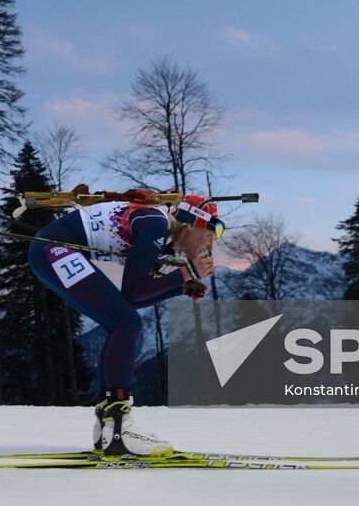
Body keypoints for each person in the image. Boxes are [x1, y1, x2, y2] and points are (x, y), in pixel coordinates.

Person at [28, 189, 222, 456]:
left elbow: (134, 298)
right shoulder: (156, 225)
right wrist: (186, 274)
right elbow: (132, 292)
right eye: (209, 235)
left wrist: (181, 287)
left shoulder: (160, 233)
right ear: (190, 225)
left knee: (122, 322)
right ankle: (119, 428)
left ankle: (109, 427)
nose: (209, 245)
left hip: (52, 249)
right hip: (55, 249)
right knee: (125, 324)